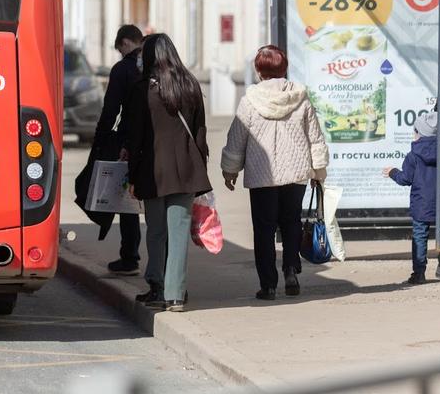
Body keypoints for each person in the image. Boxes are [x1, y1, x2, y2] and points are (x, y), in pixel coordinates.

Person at [221, 45, 329, 301]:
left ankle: (268, 285)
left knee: (264, 229)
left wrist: (230, 170)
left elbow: (237, 138)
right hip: (296, 173)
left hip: (262, 175)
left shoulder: (249, 102)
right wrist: (319, 171)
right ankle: (291, 270)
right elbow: (314, 137)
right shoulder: (300, 97)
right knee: (291, 223)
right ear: (284, 68)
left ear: (259, 71)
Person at [126, 34, 211, 312]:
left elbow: (136, 138)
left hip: (153, 171)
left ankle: (157, 287)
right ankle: (176, 294)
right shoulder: (190, 84)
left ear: (149, 56)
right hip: (186, 170)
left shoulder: (143, 89)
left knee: (156, 231)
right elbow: (200, 130)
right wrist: (200, 169)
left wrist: (132, 175)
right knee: (178, 232)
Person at [86, 25, 144, 275]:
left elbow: (111, 109)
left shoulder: (123, 70)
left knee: (127, 203)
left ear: (126, 43)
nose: (121, 54)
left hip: (129, 144)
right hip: (159, 143)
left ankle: (129, 257)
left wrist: (99, 140)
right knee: (157, 204)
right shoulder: (163, 67)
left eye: (121, 49)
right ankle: (162, 267)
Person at [383, 112, 440, 284]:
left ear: (418, 132)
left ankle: (419, 273)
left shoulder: (413, 156)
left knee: (420, 236)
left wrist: (393, 172)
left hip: (422, 203)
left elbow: (405, 179)